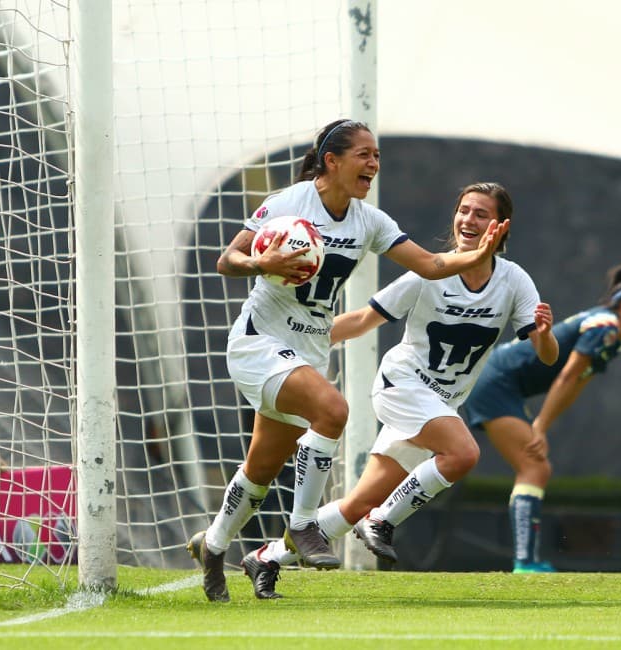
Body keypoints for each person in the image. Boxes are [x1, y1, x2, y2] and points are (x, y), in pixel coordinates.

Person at [187, 121, 510, 602]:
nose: (373, 164)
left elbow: (432, 265)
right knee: (333, 411)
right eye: (364, 154)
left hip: (309, 351)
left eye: (376, 155)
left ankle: (213, 547)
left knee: (260, 470)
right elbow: (227, 260)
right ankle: (302, 525)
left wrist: (479, 253)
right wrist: (261, 264)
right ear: (331, 160)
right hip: (259, 342)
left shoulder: (370, 221)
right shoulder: (289, 204)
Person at [236, 181, 557, 599]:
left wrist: (545, 335)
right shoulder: (430, 273)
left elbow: (547, 356)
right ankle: (382, 521)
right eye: (463, 210)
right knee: (463, 453)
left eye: (481, 214)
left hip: (438, 405)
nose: (468, 220)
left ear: (501, 226)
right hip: (402, 385)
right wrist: (296, 341)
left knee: (356, 504)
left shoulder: (514, 281)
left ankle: (267, 557)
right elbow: (362, 320)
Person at [461, 265, 621, 573]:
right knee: (535, 467)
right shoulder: (605, 326)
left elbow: (576, 382)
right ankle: (525, 563)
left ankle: (526, 561)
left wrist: (542, 424)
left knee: (536, 467)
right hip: (495, 383)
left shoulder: (615, 337)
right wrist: (540, 426)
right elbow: (567, 377)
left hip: (503, 385)